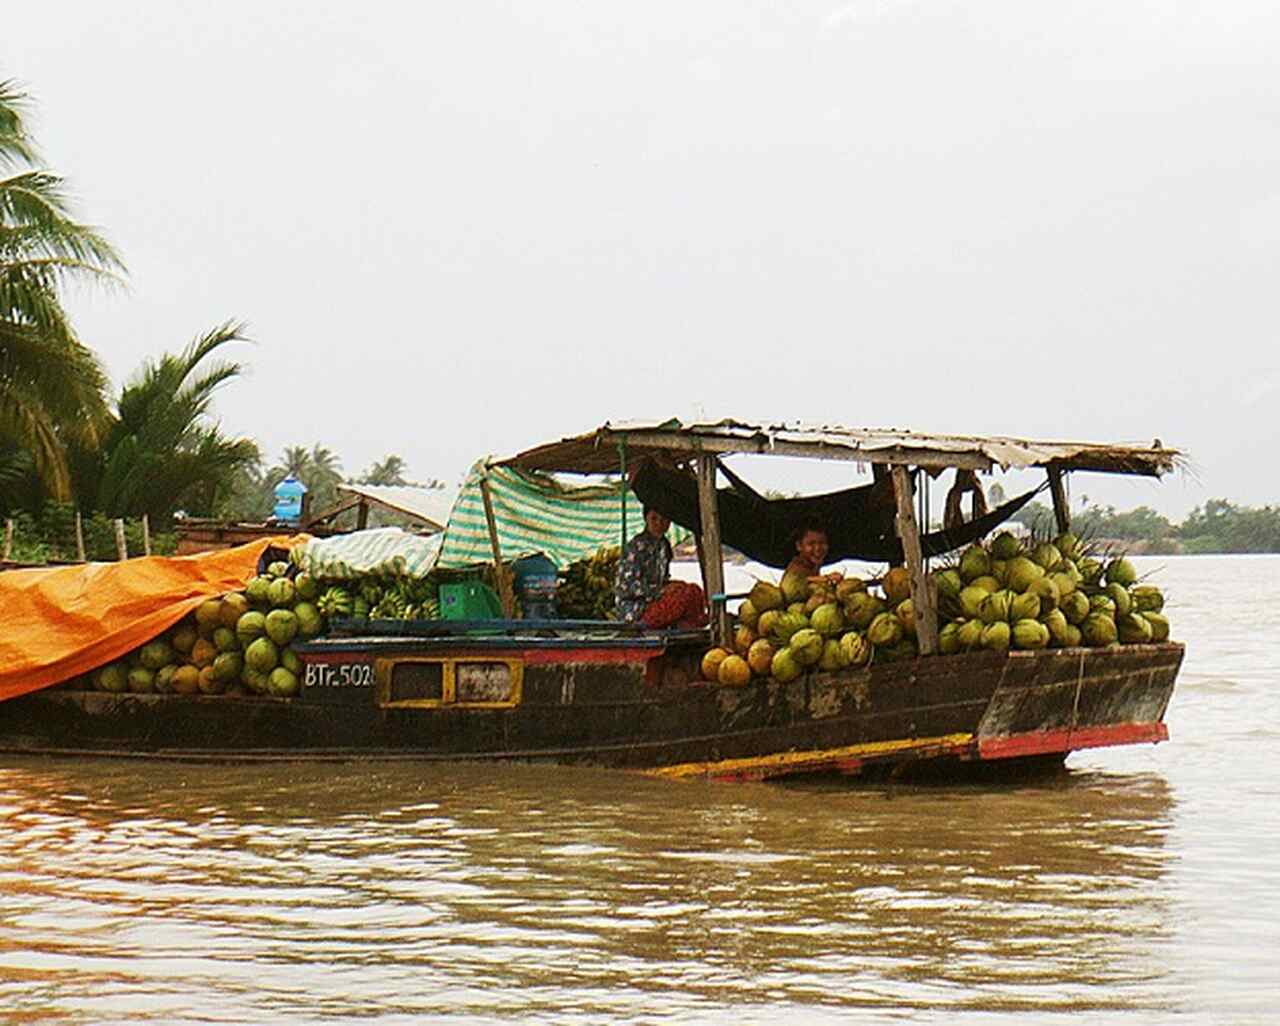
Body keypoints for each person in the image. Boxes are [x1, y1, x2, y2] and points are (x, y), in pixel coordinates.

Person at [614, 507, 708, 628]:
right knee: (685, 596)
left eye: (664, 519)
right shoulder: (636, 547)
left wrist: (671, 585)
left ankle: (688, 625)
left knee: (694, 591)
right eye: (654, 518)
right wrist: (661, 590)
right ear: (646, 519)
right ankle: (687, 625)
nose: (659, 523)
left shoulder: (664, 545)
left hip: (654, 600)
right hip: (637, 610)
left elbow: (662, 580)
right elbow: (625, 587)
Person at [785, 519, 843, 586]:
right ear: (799, 546)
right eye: (811, 544)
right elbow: (800, 581)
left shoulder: (814, 565)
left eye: (822, 543)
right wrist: (827, 578)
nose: (818, 548)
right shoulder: (796, 565)